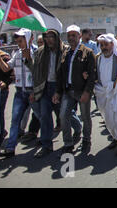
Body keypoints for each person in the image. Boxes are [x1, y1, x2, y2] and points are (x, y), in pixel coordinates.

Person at [25, 29, 81, 158]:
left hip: (60, 87)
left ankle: (78, 129)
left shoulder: (65, 51)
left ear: (56, 38)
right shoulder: (40, 52)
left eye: (51, 37)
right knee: (45, 116)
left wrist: (60, 90)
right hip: (45, 88)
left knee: (65, 114)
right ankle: (46, 145)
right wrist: (28, 59)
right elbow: (35, 72)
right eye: (47, 37)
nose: (49, 39)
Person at [54, 25, 96, 155]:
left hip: (82, 92)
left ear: (79, 36)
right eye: (69, 35)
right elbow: (60, 74)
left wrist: (87, 92)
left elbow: (92, 74)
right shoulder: (65, 53)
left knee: (85, 117)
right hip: (68, 91)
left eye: (74, 35)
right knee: (63, 116)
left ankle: (86, 140)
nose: (71, 38)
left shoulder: (87, 52)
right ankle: (68, 143)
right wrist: (57, 92)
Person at [0, 28, 36, 157]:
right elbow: (7, 68)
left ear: (28, 39)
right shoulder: (17, 53)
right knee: (15, 120)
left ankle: (47, 142)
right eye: (17, 41)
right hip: (19, 92)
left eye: (21, 41)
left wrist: (35, 91)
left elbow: (38, 73)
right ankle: (10, 147)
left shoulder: (36, 52)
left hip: (33, 91)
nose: (19, 44)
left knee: (43, 117)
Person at [94, 34, 117, 156]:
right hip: (102, 93)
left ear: (112, 44)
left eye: (106, 44)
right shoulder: (98, 57)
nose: (103, 47)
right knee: (108, 119)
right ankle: (116, 138)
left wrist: (114, 87)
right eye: (101, 45)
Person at [0, 48, 13, 156]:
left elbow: (11, 74)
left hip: (0, 91)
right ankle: (1, 132)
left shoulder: (4, 57)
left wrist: (5, 83)